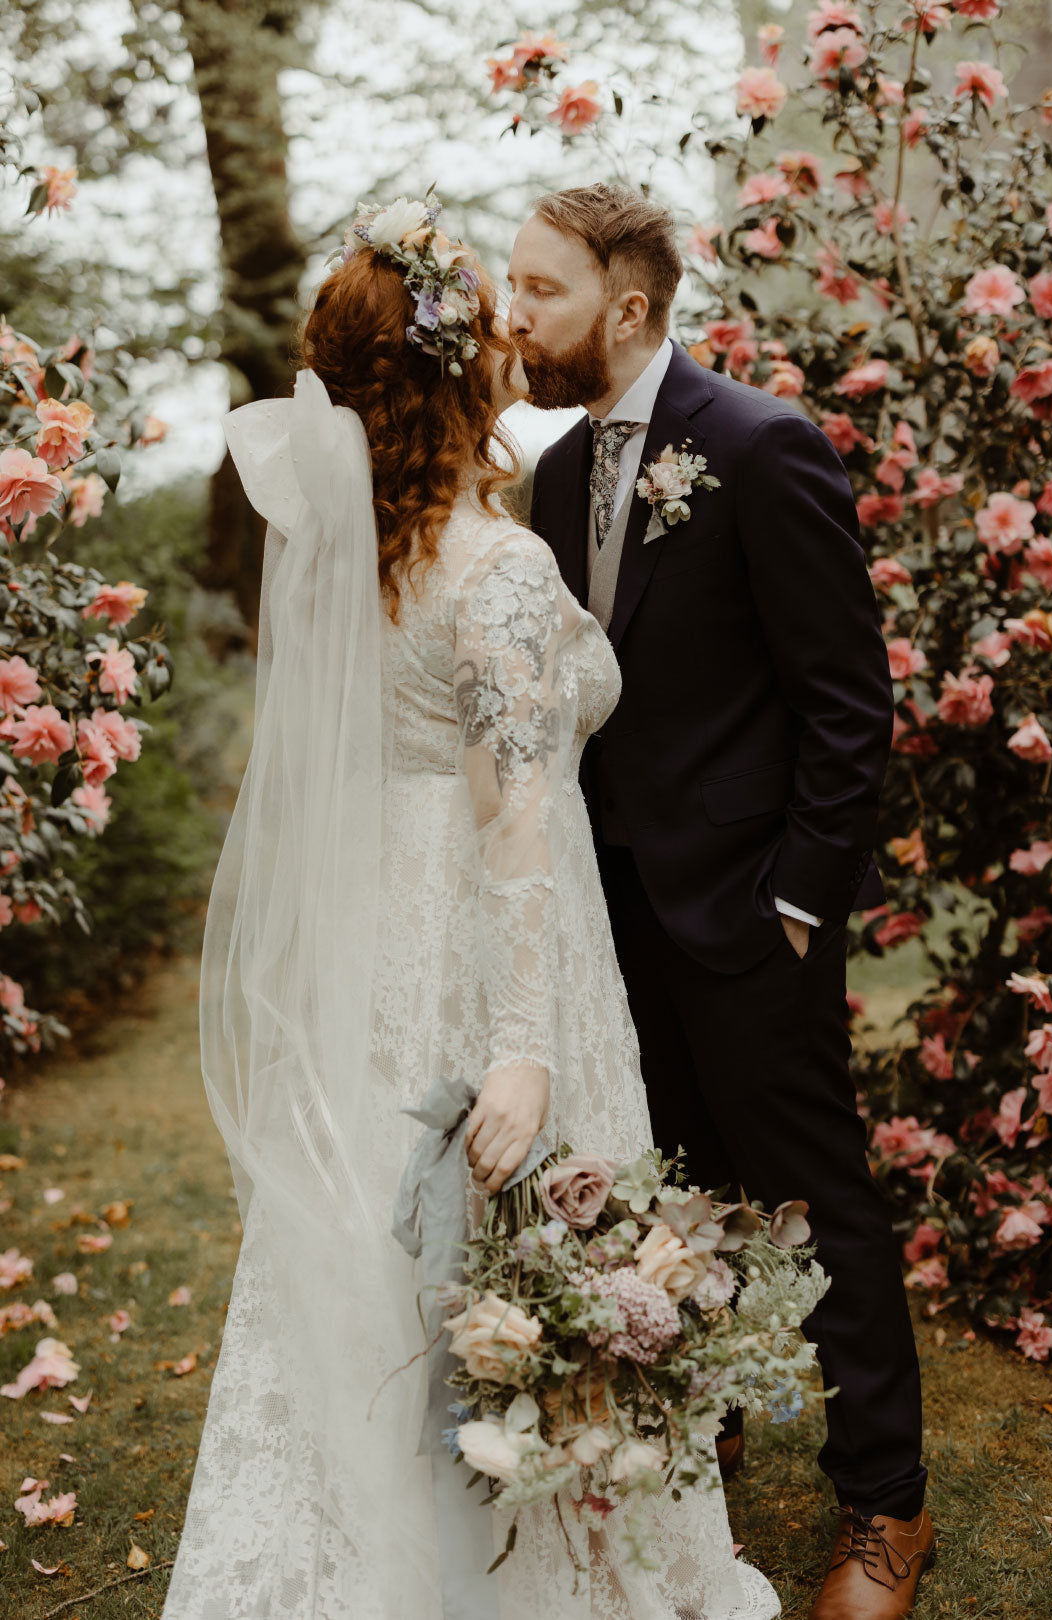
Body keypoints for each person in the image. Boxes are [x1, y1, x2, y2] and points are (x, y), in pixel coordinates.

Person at [161, 195, 780, 1620]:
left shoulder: (348, 548)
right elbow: (512, 820)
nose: (511, 328)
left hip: (377, 939)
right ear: (452, 376)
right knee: (508, 1224)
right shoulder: (496, 573)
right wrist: (523, 1043)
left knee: (387, 1247)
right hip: (499, 946)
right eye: (486, 314)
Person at [514, 183, 936, 1620]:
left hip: (754, 912)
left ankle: (887, 1505)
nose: (516, 319)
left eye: (539, 291)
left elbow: (846, 703)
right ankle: (704, 1430)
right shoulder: (557, 476)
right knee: (667, 1201)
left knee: (816, 1206)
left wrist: (802, 907)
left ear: (627, 306)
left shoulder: (760, 447)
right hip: (612, 914)